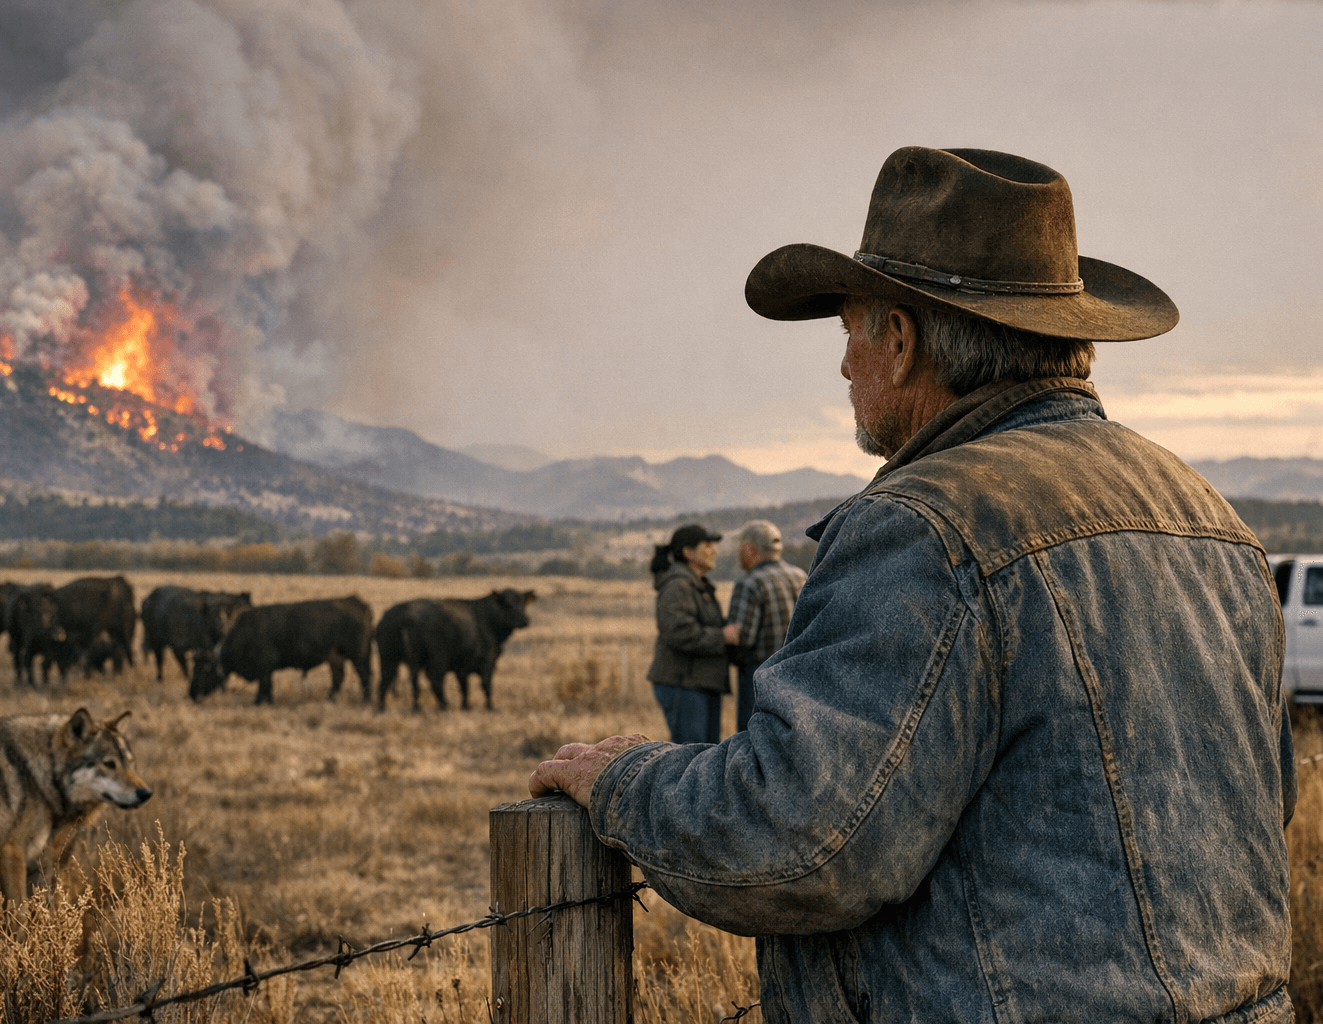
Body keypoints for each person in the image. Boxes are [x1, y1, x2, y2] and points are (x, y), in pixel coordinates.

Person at [531, 147, 1294, 1022]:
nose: (843, 366)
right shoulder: (1211, 517)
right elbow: (1262, 804)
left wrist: (629, 781)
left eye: (848, 330)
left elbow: (804, 838)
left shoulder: (924, 524)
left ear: (900, 339)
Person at [647, 523, 730, 744]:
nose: (714, 550)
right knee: (691, 758)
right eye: (708, 546)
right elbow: (679, 632)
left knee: (705, 754)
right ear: (688, 552)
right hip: (683, 684)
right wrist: (724, 637)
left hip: (699, 683)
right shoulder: (678, 585)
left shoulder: (696, 584)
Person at [723, 519, 806, 733]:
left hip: (757, 677)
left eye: (741, 548)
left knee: (751, 740)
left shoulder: (750, 583)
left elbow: (744, 638)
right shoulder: (801, 577)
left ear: (750, 549)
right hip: (796, 675)